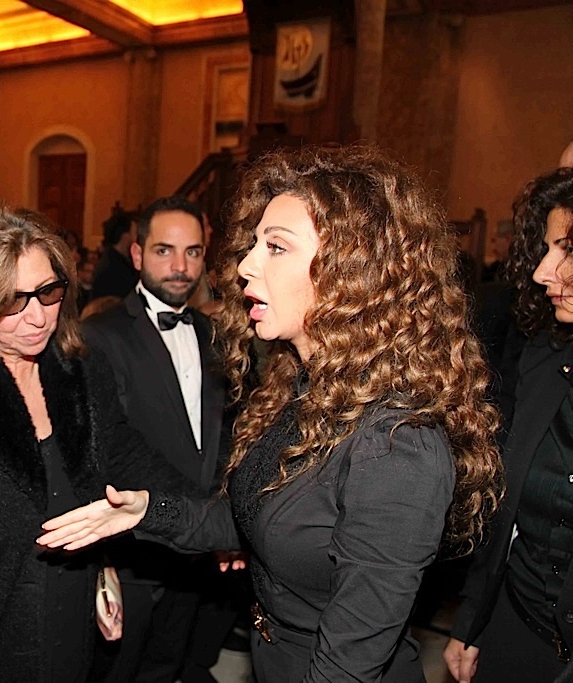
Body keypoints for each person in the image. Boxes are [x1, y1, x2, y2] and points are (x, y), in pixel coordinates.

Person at [39, 146, 504, 682]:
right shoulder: (305, 389)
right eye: (255, 243)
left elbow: (349, 665)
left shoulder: (397, 441)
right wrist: (146, 512)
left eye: (276, 247)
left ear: (351, 270)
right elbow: (255, 519)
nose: (245, 265)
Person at [0, 203, 186, 682]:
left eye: (48, 292)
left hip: (74, 624)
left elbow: (127, 457)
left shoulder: (80, 369)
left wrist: (206, 520)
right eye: (12, 301)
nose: (37, 317)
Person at [82, 195, 234, 683]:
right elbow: (107, 446)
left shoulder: (214, 334)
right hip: (133, 549)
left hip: (196, 552)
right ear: (137, 254)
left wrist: (219, 520)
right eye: (165, 251)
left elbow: (223, 433)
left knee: (168, 670)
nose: (180, 266)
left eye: (193, 252)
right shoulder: (100, 334)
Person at [445, 167, 573, 683]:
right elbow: (507, 508)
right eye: (546, 249)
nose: (544, 272)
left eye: (567, 250)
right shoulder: (544, 356)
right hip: (518, 626)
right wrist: (473, 620)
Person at [91, 208, 138, 301]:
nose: (137, 239)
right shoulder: (112, 268)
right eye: (135, 233)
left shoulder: (118, 261)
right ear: (125, 236)